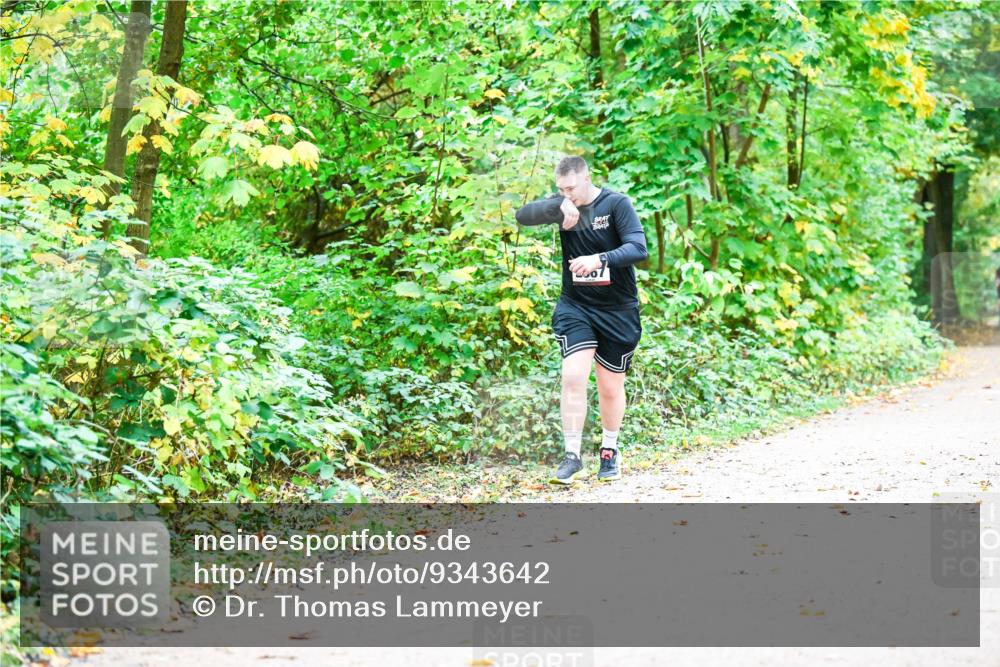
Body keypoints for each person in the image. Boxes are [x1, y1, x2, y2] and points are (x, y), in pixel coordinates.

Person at [515, 155, 648, 484]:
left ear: (587, 178)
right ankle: (572, 455)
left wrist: (599, 259)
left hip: (618, 310)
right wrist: (557, 205)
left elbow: (638, 248)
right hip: (576, 306)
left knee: (609, 387)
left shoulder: (616, 204)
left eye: (571, 188)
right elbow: (522, 215)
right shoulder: (562, 205)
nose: (568, 194)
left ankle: (609, 450)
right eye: (561, 189)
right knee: (573, 376)